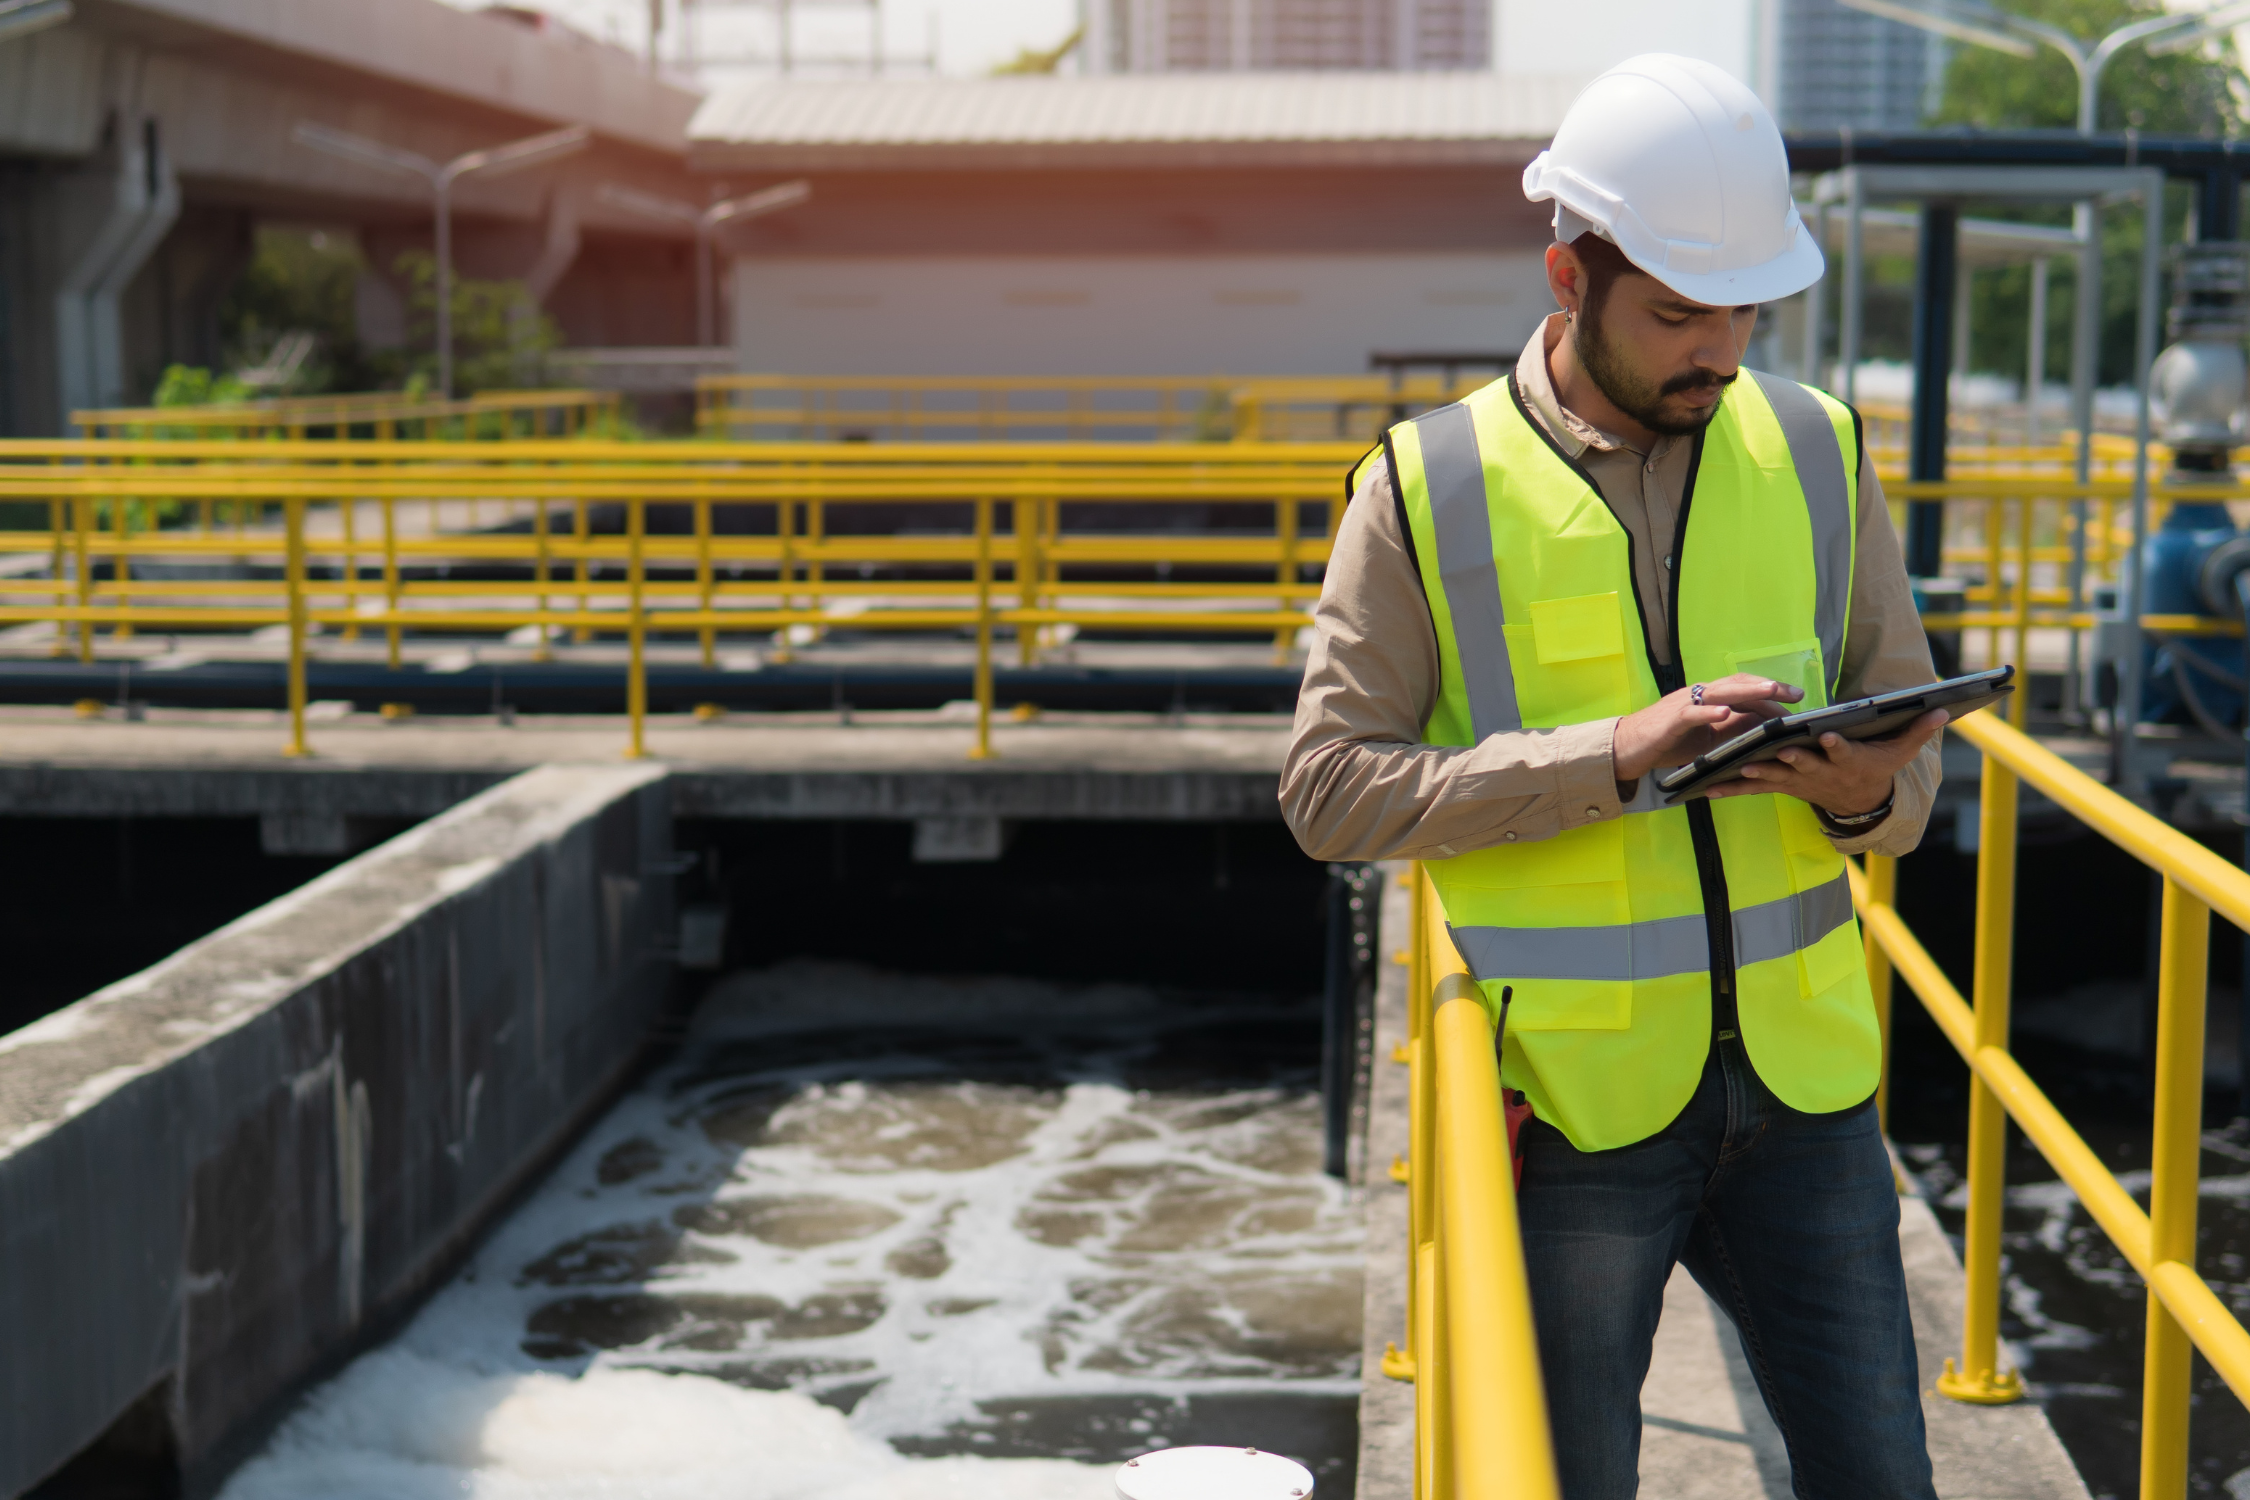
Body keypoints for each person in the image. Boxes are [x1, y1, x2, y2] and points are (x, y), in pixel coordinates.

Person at [1280, 53, 1948, 1500]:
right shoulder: (1423, 487)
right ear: (1566, 277)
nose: (1718, 347)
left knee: (1885, 1482)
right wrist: (1612, 759)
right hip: (1574, 1107)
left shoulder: (1819, 451)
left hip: (1807, 1096)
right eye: (1674, 313)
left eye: (1742, 308)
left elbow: (1904, 781)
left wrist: (1846, 788)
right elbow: (1329, 789)